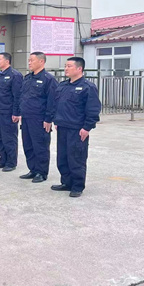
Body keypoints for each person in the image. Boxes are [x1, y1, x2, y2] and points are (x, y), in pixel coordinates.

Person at [50, 57, 101, 198]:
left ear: (79, 69)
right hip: (62, 127)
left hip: (77, 129)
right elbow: (57, 105)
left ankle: (77, 186)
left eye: (69, 66)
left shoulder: (88, 87)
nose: (66, 69)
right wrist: (56, 120)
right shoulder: (63, 86)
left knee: (76, 158)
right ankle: (66, 182)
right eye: (65, 66)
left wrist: (87, 128)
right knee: (63, 157)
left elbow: (93, 109)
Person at [17, 52, 58, 183]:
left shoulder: (48, 79)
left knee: (40, 146)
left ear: (41, 62)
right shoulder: (28, 78)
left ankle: (41, 172)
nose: (29, 63)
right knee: (28, 145)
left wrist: (48, 119)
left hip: (39, 119)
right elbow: (23, 96)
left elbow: (52, 101)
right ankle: (33, 169)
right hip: (26, 117)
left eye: (32, 60)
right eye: (29, 60)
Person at [0, 52, 23, 172]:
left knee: (9, 138)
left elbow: (17, 96)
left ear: (7, 61)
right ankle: (3, 159)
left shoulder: (15, 75)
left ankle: (11, 162)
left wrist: (16, 112)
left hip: (7, 112)